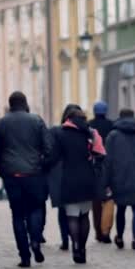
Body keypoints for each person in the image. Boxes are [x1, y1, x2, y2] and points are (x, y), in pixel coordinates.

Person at [0, 92, 52, 268]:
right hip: (33, 174)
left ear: (10, 105)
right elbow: (49, 148)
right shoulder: (37, 121)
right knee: (35, 209)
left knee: (17, 215)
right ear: (25, 103)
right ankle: (35, 241)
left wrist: (3, 171)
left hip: (12, 176)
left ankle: (24, 256)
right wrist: (42, 166)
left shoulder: (1, 123)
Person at [49, 107, 105, 264]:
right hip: (87, 178)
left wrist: (42, 165)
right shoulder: (91, 133)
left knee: (72, 216)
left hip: (69, 178)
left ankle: (75, 245)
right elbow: (101, 153)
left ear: (68, 119)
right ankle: (83, 249)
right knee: (85, 216)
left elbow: (53, 157)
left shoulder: (60, 134)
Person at [105, 108, 135, 251]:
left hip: (119, 178)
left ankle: (119, 237)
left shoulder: (113, 136)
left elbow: (108, 161)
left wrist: (106, 182)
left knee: (121, 208)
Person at [47, 104, 81, 251]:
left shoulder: (55, 131)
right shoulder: (82, 132)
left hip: (58, 174)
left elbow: (49, 152)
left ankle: (65, 239)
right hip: (75, 174)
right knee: (75, 210)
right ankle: (75, 239)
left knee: (62, 210)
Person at [88, 101, 115, 244]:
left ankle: (98, 231)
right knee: (109, 199)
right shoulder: (112, 125)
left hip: (93, 166)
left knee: (96, 201)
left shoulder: (89, 126)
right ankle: (106, 231)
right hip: (109, 166)